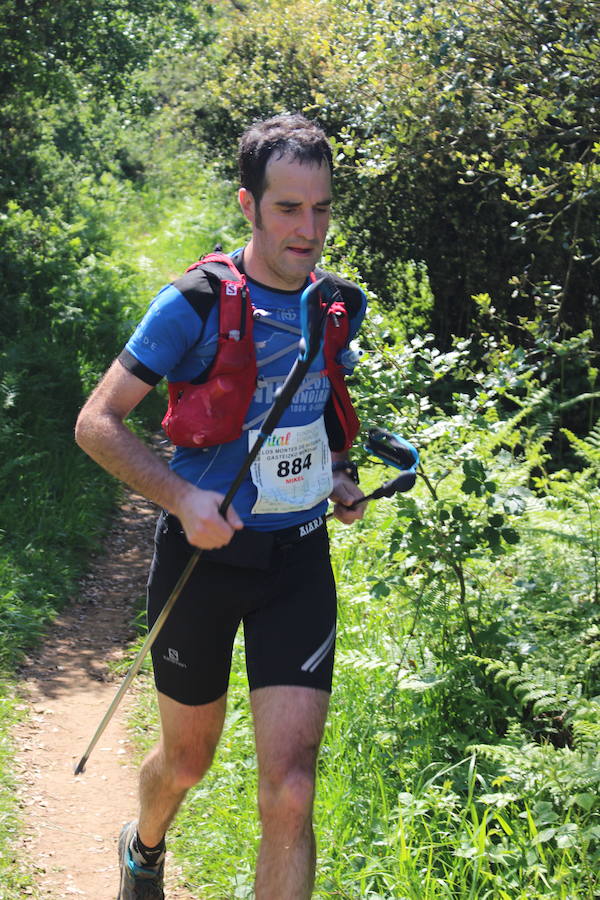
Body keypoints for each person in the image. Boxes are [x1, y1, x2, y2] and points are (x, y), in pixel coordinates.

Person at [75, 113, 367, 900]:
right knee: (188, 763)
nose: (309, 229)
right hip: (200, 563)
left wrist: (334, 477)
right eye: (287, 208)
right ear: (248, 204)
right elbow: (96, 423)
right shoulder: (195, 302)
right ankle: (144, 843)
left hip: (297, 563)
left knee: (293, 789)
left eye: (322, 208)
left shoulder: (336, 306)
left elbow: (316, 415)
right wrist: (180, 496)